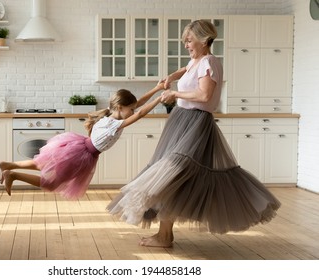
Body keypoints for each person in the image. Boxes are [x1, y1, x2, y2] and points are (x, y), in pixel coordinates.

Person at [107, 20, 281, 248]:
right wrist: (171, 77)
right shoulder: (198, 61)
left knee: (170, 175)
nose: (186, 45)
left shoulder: (210, 62)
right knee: (171, 179)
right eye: (185, 41)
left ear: (204, 39)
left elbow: (204, 96)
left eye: (189, 40)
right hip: (182, 122)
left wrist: (175, 93)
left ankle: (164, 235)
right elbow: (188, 68)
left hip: (195, 125)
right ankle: (164, 235)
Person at [0, 82, 164, 198]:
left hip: (78, 147)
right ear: (120, 108)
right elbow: (140, 113)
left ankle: (9, 165)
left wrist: (157, 88)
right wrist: (159, 99)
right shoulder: (115, 124)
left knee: (43, 163)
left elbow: (138, 104)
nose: (134, 111)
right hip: (81, 156)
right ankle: (12, 175)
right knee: (51, 184)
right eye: (131, 109)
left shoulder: (109, 113)